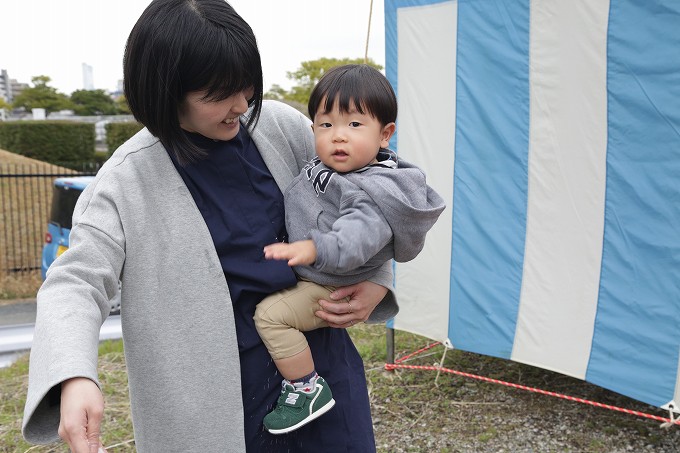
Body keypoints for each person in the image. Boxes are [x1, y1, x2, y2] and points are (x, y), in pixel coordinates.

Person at [21, 1, 398, 452]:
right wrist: (74, 374)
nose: (241, 105)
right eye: (218, 94)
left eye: (247, 86)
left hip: (319, 365)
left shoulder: (281, 128)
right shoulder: (124, 181)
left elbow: (370, 192)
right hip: (210, 398)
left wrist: (376, 277)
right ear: (166, 91)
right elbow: (75, 282)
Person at [254, 64, 445, 434]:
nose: (338, 137)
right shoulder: (339, 168)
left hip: (327, 284)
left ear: (385, 134)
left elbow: (358, 238)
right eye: (326, 125)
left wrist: (313, 248)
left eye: (355, 125)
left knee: (271, 317)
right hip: (319, 272)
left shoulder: (371, 189)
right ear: (312, 130)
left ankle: (305, 387)